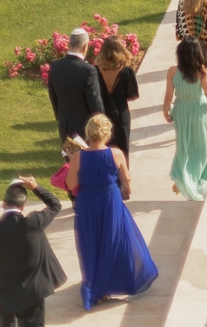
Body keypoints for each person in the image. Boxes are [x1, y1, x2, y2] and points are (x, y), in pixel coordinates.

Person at [65, 114, 157, 310]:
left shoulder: (77, 157)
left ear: (88, 133)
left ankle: (95, 286)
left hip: (87, 204)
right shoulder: (116, 154)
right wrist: (127, 188)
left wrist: (73, 166)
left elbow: (71, 184)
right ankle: (110, 282)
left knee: (91, 244)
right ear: (107, 134)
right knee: (114, 241)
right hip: (110, 202)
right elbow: (126, 178)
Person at [0, 175, 66, 327]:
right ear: (23, 206)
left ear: (4, 204)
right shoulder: (34, 222)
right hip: (32, 292)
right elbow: (55, 205)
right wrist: (35, 187)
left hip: (4, 294)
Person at [163, 39, 207, 201]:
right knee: (204, 147)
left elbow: (168, 97)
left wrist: (166, 112)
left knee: (184, 146)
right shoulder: (201, 71)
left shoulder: (172, 71)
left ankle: (183, 177)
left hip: (181, 111)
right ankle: (197, 180)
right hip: (199, 111)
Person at [46, 30, 101, 144]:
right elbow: (94, 102)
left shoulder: (55, 66)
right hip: (85, 129)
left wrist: (60, 117)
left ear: (69, 44)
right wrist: (101, 125)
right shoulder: (88, 71)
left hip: (64, 126)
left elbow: (53, 96)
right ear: (85, 46)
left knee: (69, 156)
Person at [94, 37, 139, 162]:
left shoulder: (95, 71)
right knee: (123, 149)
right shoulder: (127, 72)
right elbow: (133, 95)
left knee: (103, 147)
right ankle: (123, 173)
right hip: (121, 112)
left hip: (102, 112)